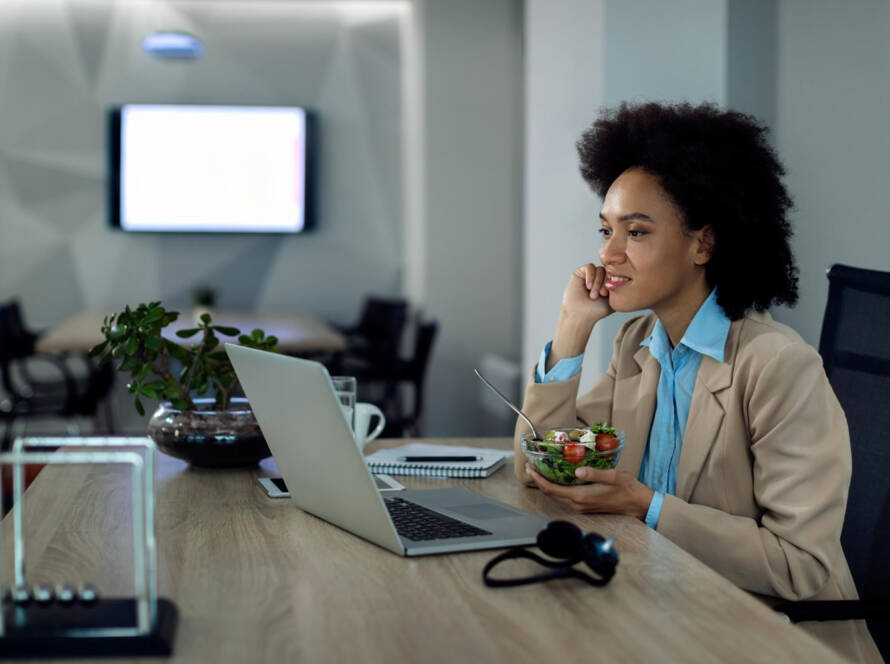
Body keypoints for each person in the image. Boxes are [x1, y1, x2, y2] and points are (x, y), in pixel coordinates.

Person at [514, 101, 881, 663]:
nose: (607, 254)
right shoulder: (635, 344)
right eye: (606, 230)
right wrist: (570, 333)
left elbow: (800, 564)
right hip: (658, 616)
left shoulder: (778, 365)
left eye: (635, 232)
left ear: (702, 244)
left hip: (767, 638)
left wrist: (646, 506)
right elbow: (535, 468)